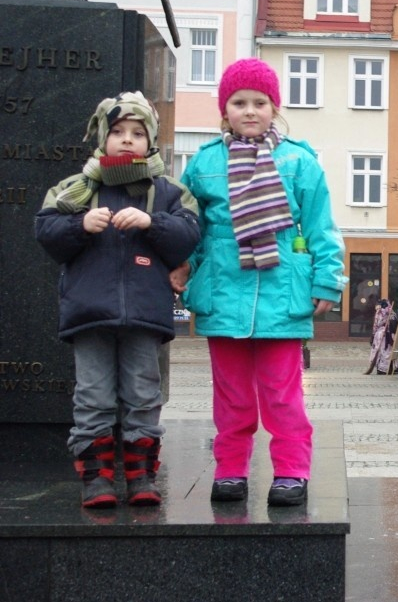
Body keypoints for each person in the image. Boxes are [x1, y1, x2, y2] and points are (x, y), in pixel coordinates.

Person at [170, 58, 347, 507]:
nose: (250, 111)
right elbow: (191, 226)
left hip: (281, 292)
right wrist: (181, 266)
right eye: (239, 102)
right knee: (230, 395)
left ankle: (290, 471)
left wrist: (327, 280)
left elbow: (321, 225)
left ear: (274, 108)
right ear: (224, 109)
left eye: (260, 102)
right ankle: (231, 469)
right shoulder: (206, 162)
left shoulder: (299, 161)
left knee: (282, 394)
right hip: (223, 290)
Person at [35, 91, 201, 508]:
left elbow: (188, 234)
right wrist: (79, 224)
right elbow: (47, 232)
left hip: (145, 316)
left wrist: (152, 222)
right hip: (90, 314)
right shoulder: (75, 189)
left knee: (144, 393)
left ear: (151, 142)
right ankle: (97, 478)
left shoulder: (167, 192)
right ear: (102, 138)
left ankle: (141, 474)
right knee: (93, 395)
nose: (127, 140)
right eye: (118, 132)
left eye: (138, 133)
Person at [367, 298, 398, 374]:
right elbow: (395, 324)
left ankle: (382, 369)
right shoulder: (392, 312)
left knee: (382, 351)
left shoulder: (380, 312)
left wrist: (373, 334)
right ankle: (388, 368)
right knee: (388, 351)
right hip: (389, 335)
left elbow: (376, 324)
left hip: (381, 334)